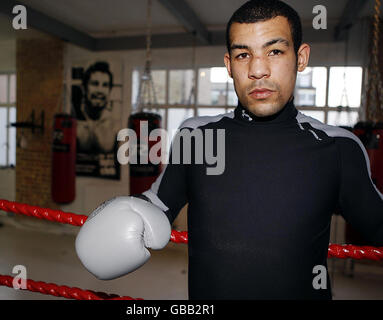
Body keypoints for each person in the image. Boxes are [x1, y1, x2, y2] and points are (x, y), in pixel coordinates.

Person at [75, 0, 383, 300]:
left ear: (300, 58)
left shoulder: (337, 147)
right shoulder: (197, 136)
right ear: (228, 64)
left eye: (275, 51)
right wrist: (124, 216)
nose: (258, 70)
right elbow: (159, 203)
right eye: (243, 55)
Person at [76, 61, 118, 154]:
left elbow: (123, 166)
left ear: (109, 91)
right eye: (95, 84)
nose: (100, 90)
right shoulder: (74, 125)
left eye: (105, 85)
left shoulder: (116, 127)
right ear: (84, 88)